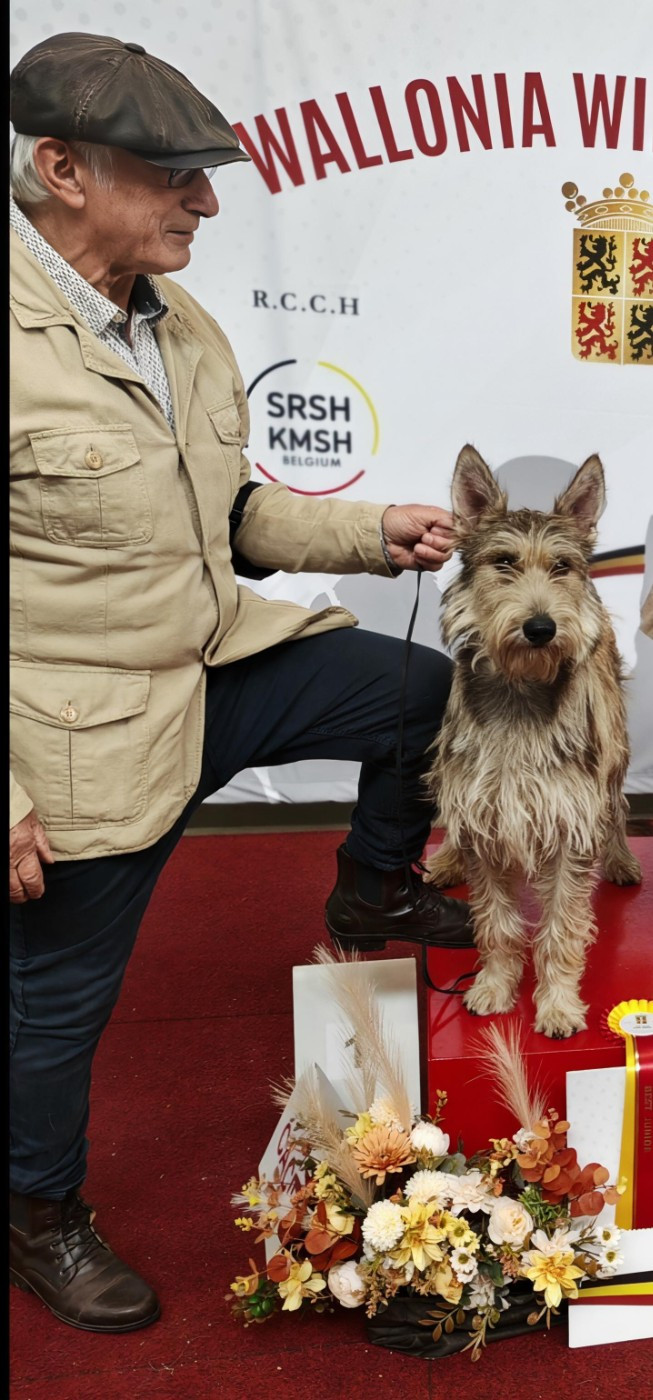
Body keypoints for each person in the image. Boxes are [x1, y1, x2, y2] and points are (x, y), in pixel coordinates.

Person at [9, 32, 472, 1334]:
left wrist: (369, 530)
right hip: (79, 730)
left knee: (423, 694)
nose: (207, 204)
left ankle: (373, 883)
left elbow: (229, 516)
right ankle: (35, 1211)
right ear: (63, 170)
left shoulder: (178, 323)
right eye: (175, 176)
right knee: (55, 1006)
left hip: (216, 666)